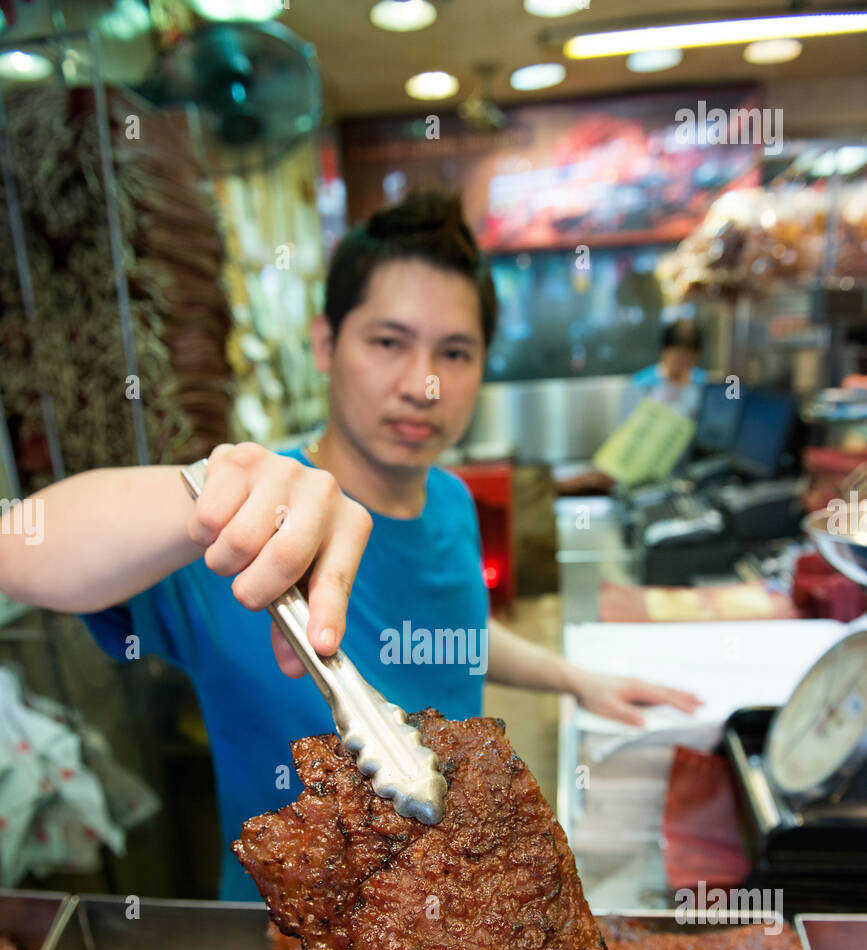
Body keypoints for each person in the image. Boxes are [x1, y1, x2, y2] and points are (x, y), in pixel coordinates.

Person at [0, 193, 700, 899]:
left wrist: (573, 678)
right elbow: (17, 549)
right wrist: (200, 491)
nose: (421, 385)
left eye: (453, 352)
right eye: (388, 342)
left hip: (450, 922)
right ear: (326, 344)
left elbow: (453, 635)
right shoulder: (240, 529)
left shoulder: (451, 501)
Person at [621, 318, 707, 421]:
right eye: (678, 357)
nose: (682, 364)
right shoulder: (641, 384)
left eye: (688, 358)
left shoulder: (702, 383)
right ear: (664, 351)